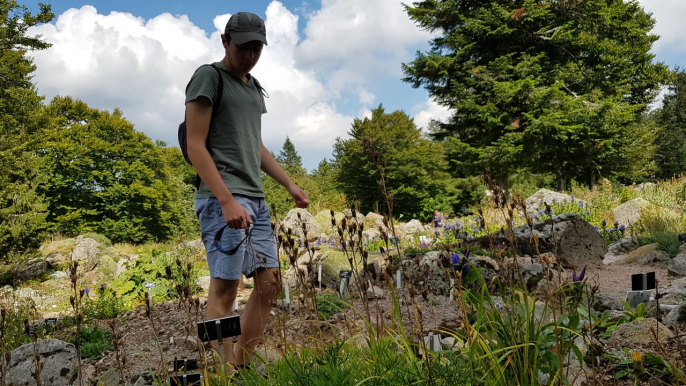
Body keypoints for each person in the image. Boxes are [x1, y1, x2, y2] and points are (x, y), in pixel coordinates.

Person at [184, 11, 309, 373]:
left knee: (269, 285)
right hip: (221, 197)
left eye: (257, 47)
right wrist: (225, 200)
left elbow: (255, 146)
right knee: (225, 290)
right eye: (244, 47)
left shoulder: (253, 87)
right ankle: (222, 376)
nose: (250, 55)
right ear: (225, 42)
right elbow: (196, 146)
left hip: (255, 199)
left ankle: (241, 368)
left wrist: (288, 183)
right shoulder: (208, 78)